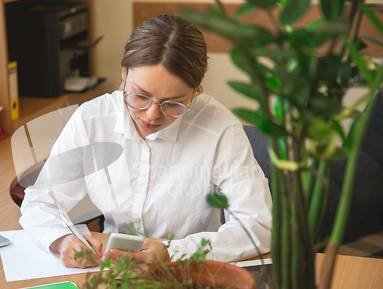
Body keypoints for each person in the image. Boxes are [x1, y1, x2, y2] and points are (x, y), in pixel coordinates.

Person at [19, 14, 272, 268]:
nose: (152, 115)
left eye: (173, 103)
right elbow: (40, 201)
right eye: (140, 96)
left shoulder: (220, 128)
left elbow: (259, 226)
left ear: (196, 91)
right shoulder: (92, 119)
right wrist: (61, 239)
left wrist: (174, 252)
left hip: (188, 271)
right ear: (124, 73)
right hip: (108, 268)